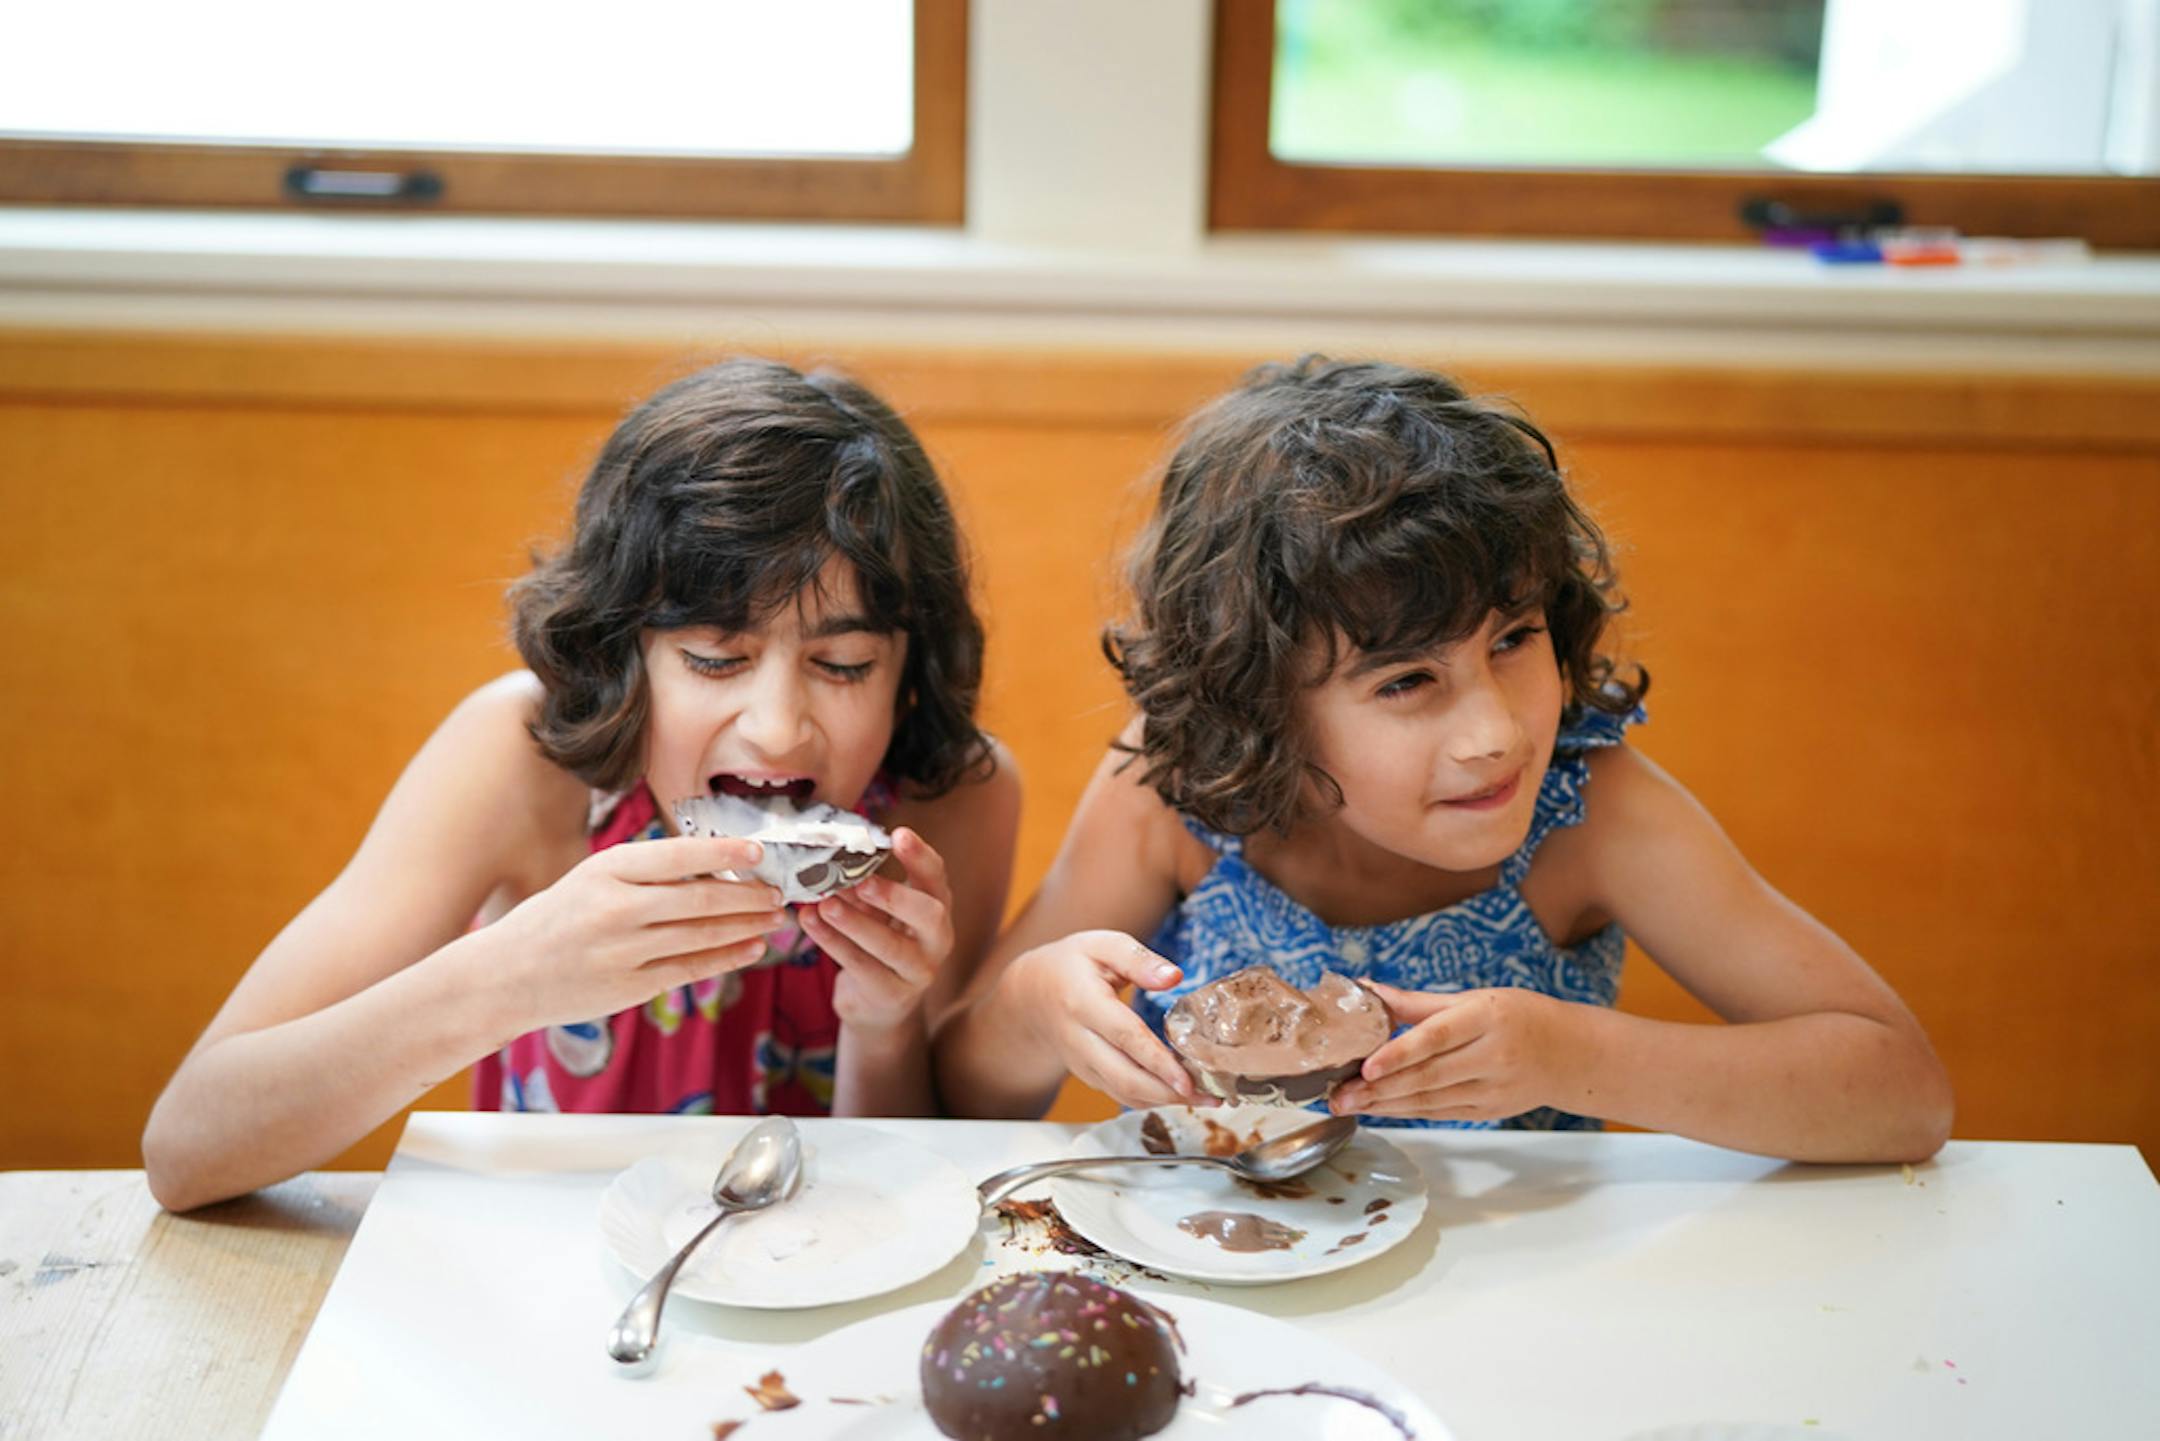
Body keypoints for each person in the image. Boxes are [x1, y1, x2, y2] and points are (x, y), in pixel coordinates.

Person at [935, 356, 1951, 1163]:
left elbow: (1903, 1093)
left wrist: (1577, 1057)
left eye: (1514, 638)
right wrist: (1034, 1009)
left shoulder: (1591, 813)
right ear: (1258, 706)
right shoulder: (1171, 792)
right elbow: (963, 1096)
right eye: (1408, 681)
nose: (1495, 732)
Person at [144, 358, 1020, 1211]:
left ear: (908, 670)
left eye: (844, 663)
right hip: (535, 1277)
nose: (778, 726)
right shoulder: (520, 759)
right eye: (715, 657)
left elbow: (916, 1203)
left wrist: (883, 1025)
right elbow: (186, 1146)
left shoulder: (949, 798)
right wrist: (510, 977)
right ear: (622, 650)